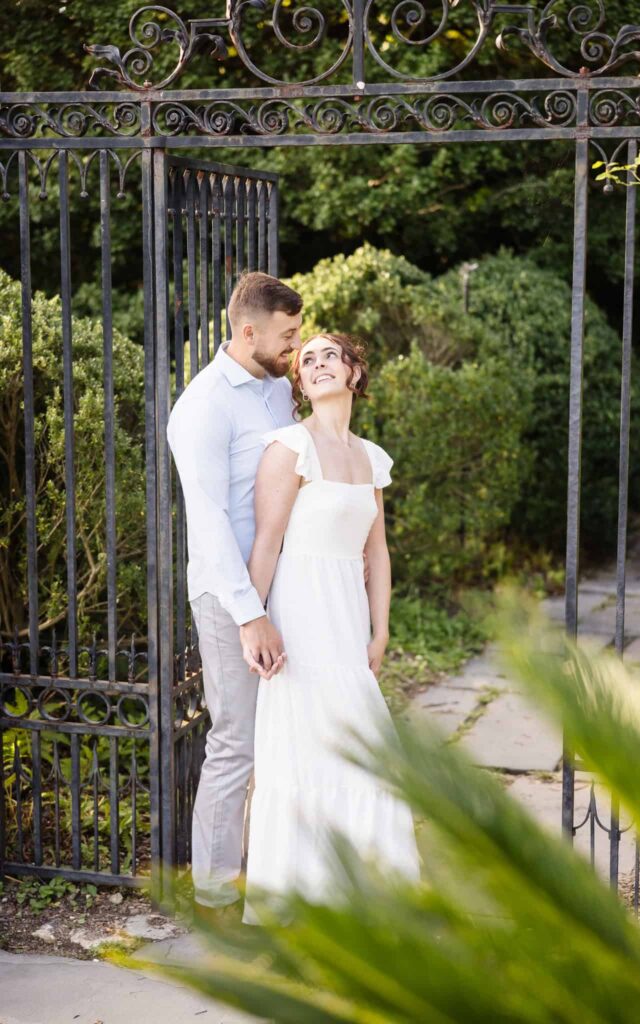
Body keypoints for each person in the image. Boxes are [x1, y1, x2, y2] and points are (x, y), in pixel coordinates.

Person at [242, 331, 421, 925]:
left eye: (329, 356)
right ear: (300, 381)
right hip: (296, 614)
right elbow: (266, 543)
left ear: (353, 373)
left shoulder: (371, 457)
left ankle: (365, 902)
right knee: (302, 758)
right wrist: (255, 621)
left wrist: (381, 630)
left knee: (363, 753)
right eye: (307, 358)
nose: (316, 364)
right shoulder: (289, 445)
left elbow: (378, 553)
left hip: (347, 622)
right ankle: (298, 909)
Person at [166, 271, 303, 911]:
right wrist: (250, 617)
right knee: (236, 739)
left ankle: (277, 869)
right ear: (248, 331)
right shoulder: (201, 408)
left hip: (288, 584)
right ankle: (216, 895)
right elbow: (211, 523)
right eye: (286, 336)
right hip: (230, 601)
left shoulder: (276, 388)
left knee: (285, 735)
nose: (295, 348)